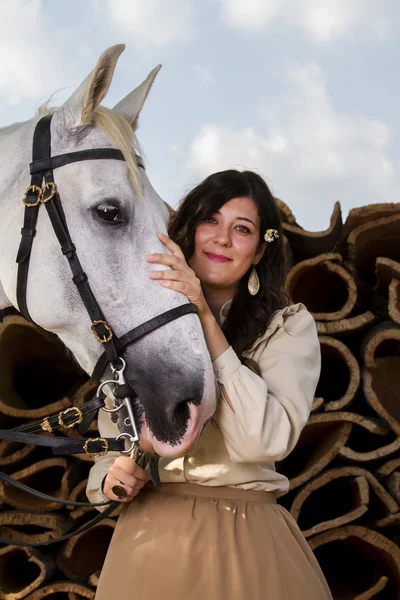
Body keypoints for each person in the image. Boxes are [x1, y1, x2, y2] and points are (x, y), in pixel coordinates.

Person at [88, 170, 333, 600]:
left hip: (245, 540)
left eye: (242, 229)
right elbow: (110, 457)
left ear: (258, 252)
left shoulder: (288, 327)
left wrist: (201, 312)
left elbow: (266, 439)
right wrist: (119, 472)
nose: (222, 239)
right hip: (146, 547)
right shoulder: (136, 331)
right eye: (211, 221)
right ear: (189, 232)